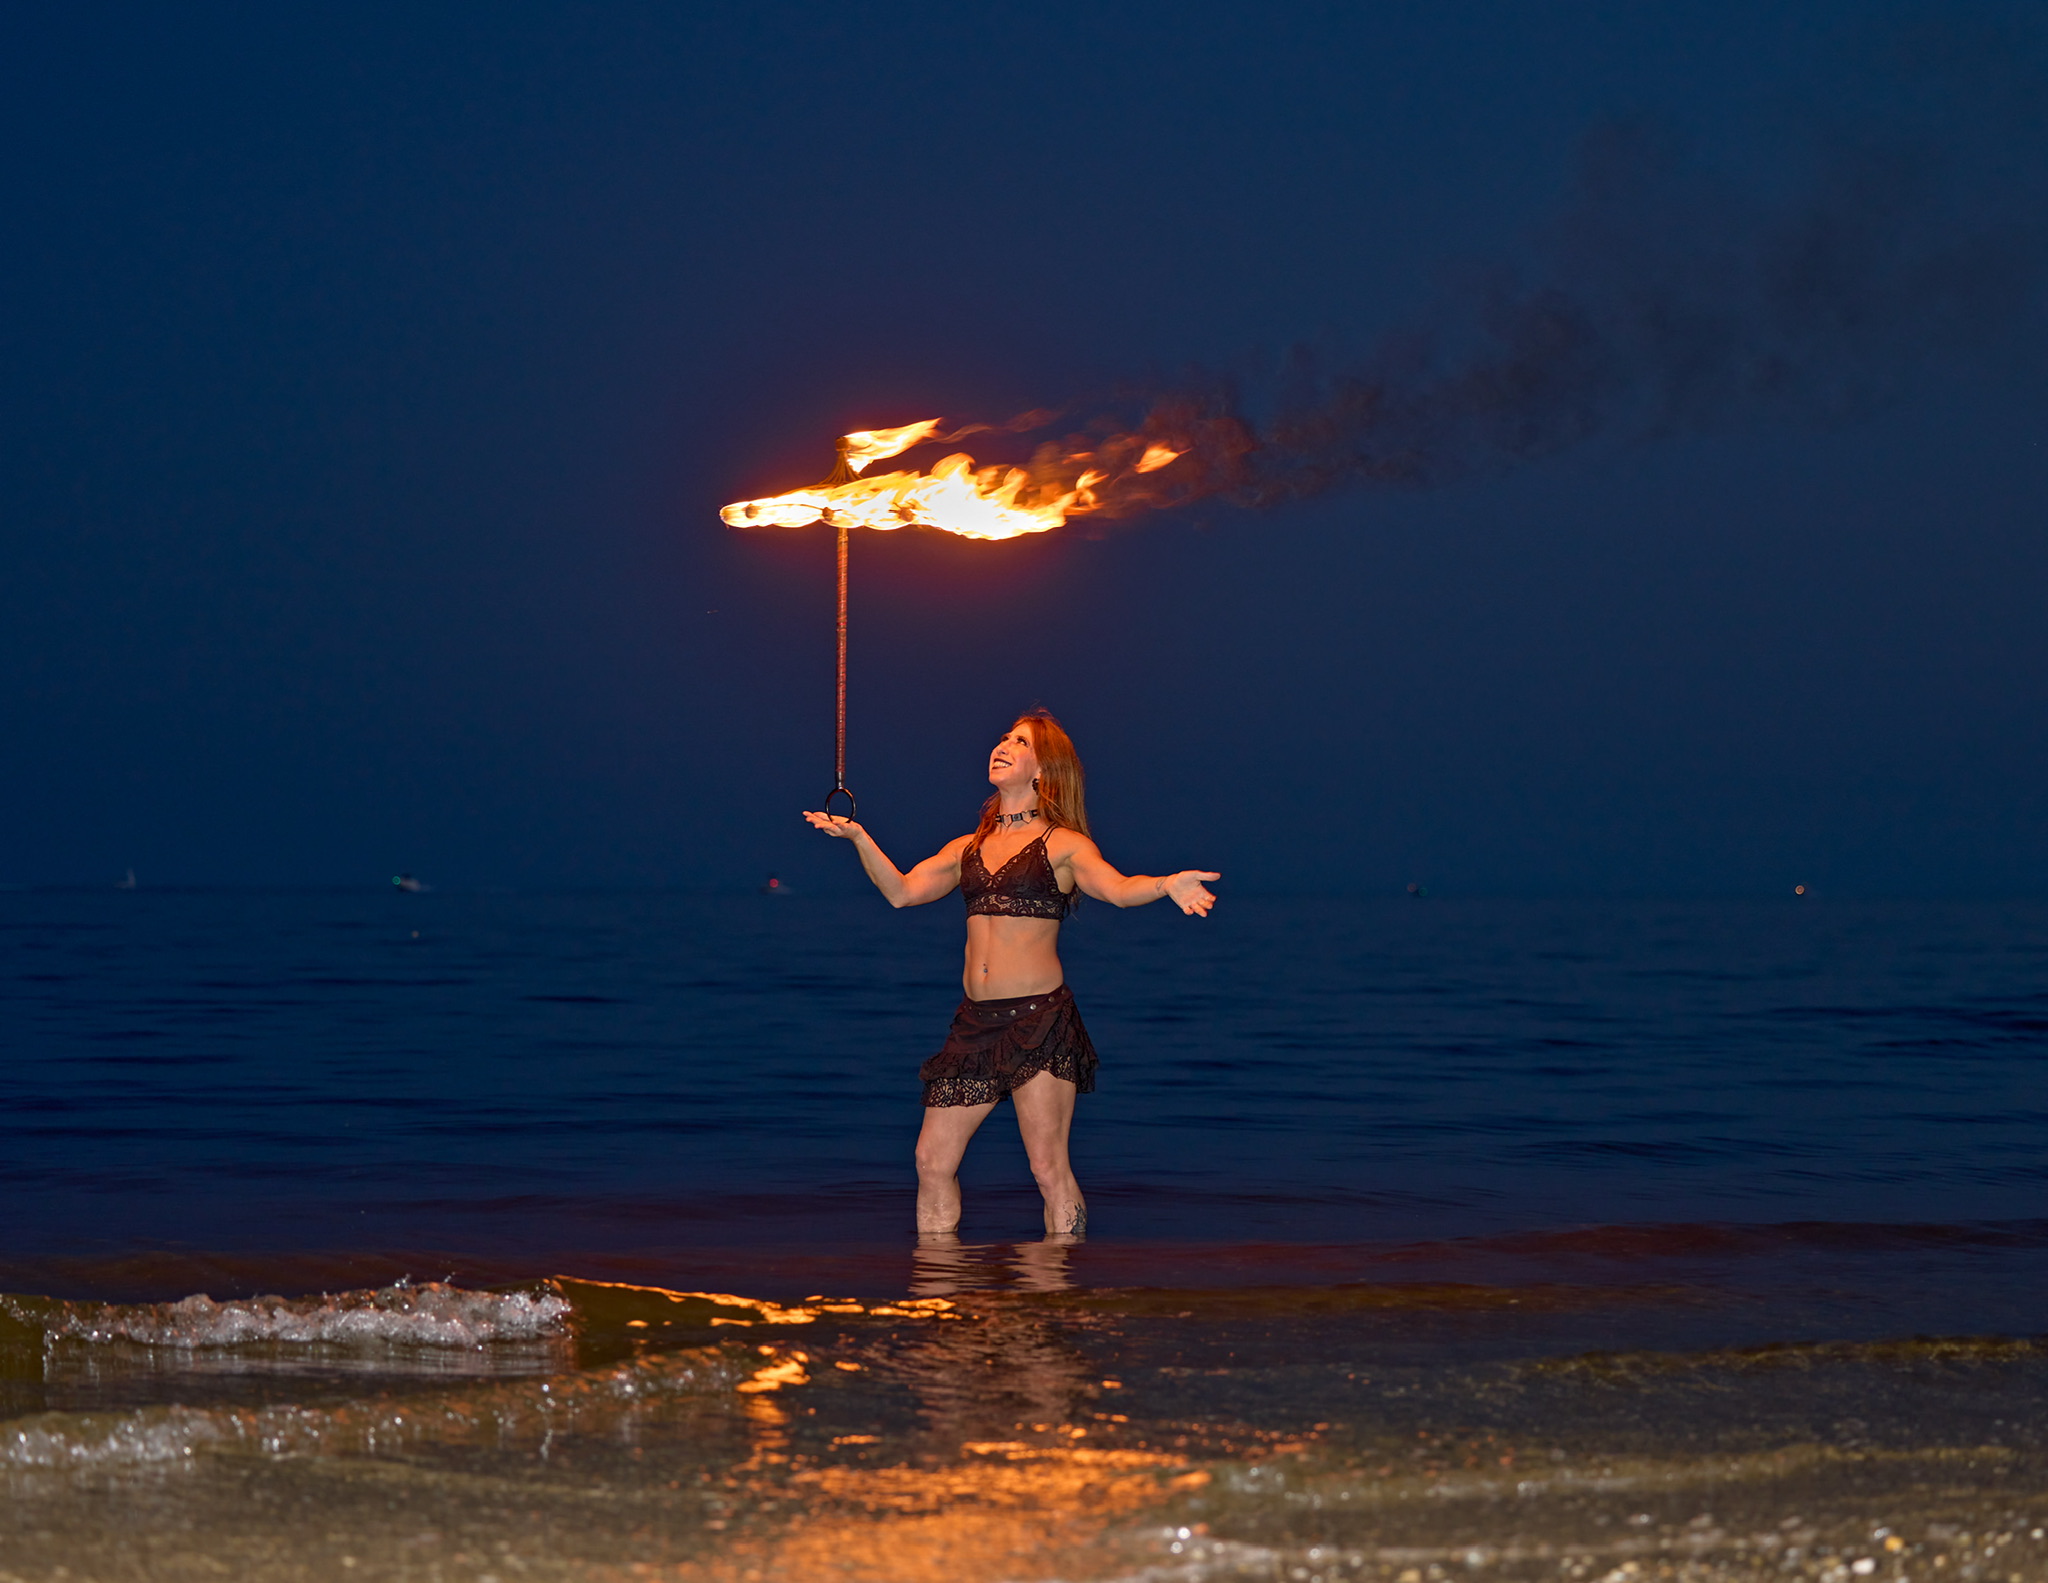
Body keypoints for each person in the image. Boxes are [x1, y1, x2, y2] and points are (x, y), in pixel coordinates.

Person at [803, 710, 1219, 1237]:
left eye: (1019, 742)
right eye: (1002, 737)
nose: (1002, 745)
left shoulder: (1064, 845)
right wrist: (861, 839)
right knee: (931, 1161)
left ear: (1042, 769)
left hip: (1039, 1021)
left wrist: (1166, 884)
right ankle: (939, 1287)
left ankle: (1057, 1289)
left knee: (1047, 1168)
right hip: (975, 1026)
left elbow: (1117, 888)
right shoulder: (967, 847)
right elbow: (902, 892)